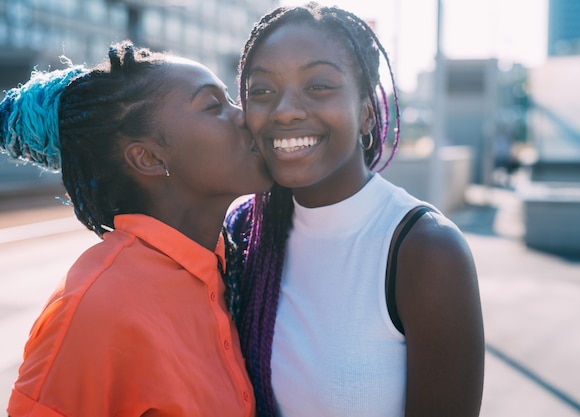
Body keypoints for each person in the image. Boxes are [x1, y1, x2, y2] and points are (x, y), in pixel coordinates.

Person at [225, 3, 485, 417]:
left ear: (366, 112)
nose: (285, 110)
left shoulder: (425, 250)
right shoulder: (242, 233)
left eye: (318, 86)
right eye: (262, 91)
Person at [1, 40, 272, 416]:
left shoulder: (230, 268)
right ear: (147, 158)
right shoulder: (95, 307)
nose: (244, 116)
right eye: (214, 106)